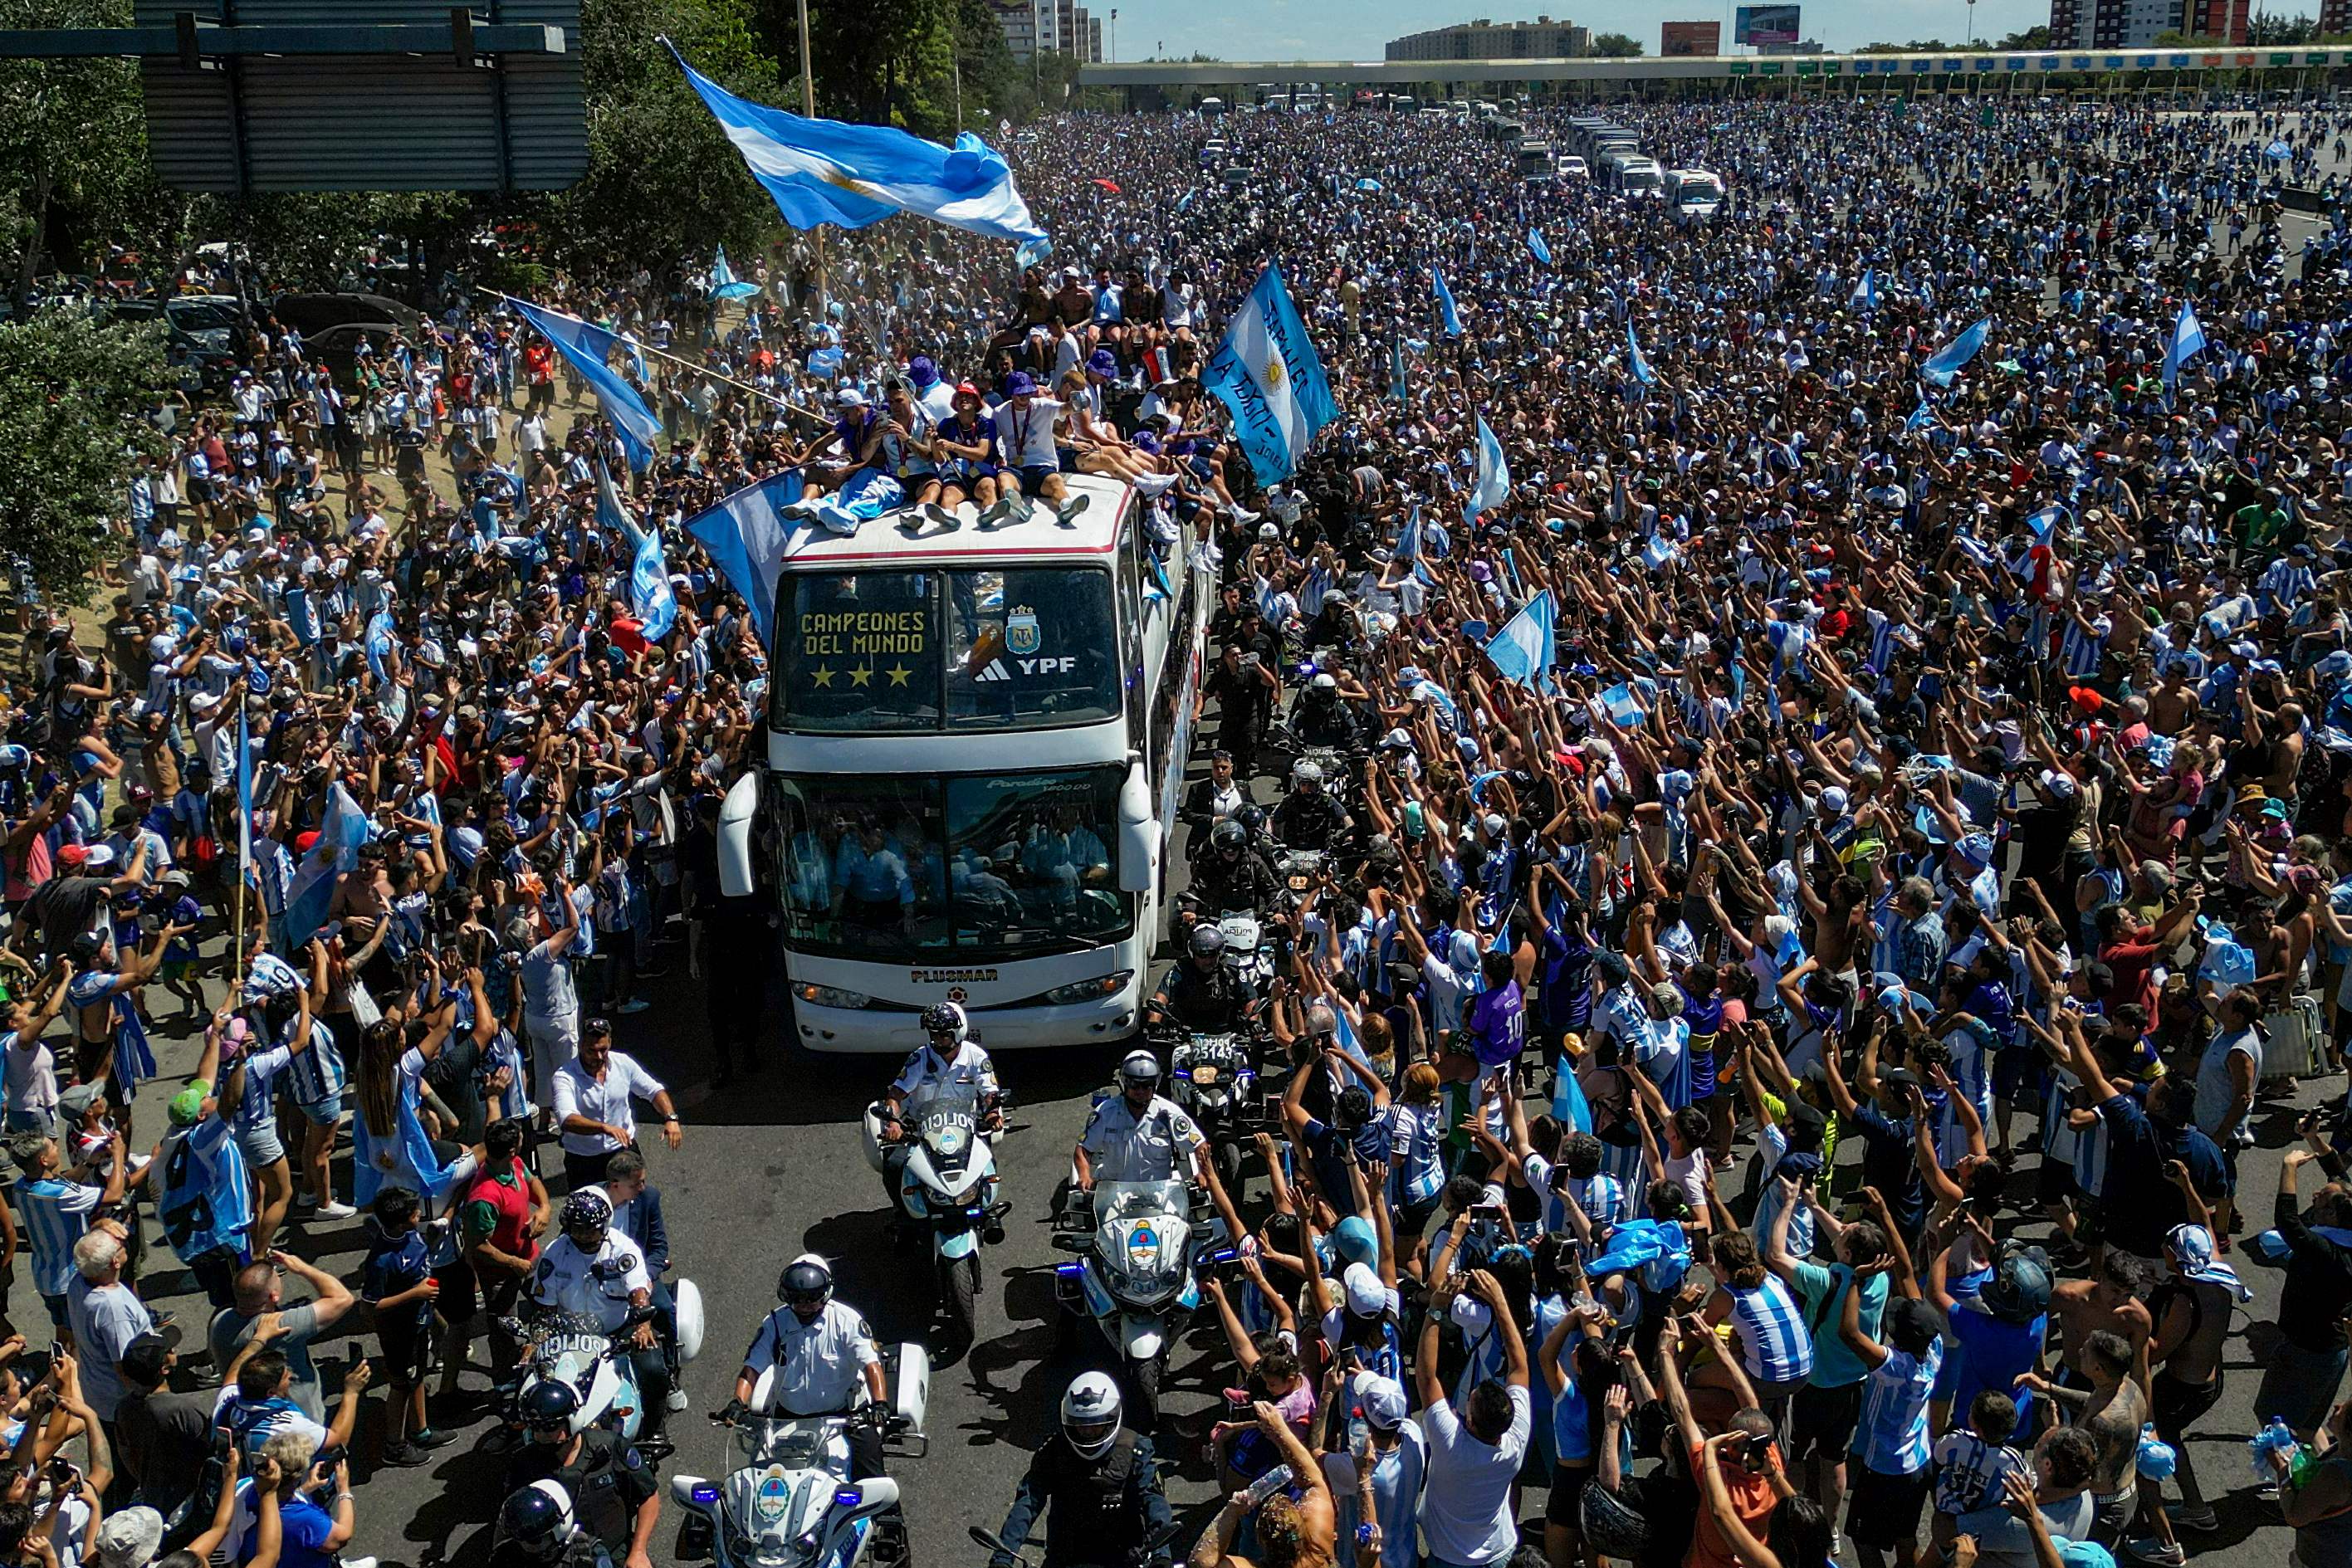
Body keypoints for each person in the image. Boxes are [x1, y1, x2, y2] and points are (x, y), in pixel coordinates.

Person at [526, 1188, 669, 1446]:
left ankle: (654, 1428)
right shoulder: (555, 1253)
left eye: (588, 1228)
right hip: (569, 1335)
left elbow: (637, 1290)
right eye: (576, 1228)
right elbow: (545, 1309)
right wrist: (536, 1342)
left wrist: (643, 1325)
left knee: (653, 1369)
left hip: (620, 1330)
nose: (582, 1234)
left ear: (604, 1225)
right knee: (531, 1376)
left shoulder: (623, 1250)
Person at [990, 1373, 1172, 1568]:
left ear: (1112, 1419)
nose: (1087, 1432)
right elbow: (1028, 1502)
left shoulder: (1135, 1450)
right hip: (1065, 1558)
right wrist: (1004, 1556)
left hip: (1124, 1558)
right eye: (1080, 1426)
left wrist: (1161, 1554)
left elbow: (1153, 1499)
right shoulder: (1054, 1452)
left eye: (1095, 1426)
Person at [732, 1254, 888, 1480]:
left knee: (871, 1474)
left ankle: (889, 1515)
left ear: (825, 1294)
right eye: (797, 1299)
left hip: (844, 1415)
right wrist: (737, 1401)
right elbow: (752, 1368)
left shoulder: (846, 1321)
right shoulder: (775, 1323)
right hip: (787, 1417)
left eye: (812, 1298)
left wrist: (880, 1404)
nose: (805, 1306)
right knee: (761, 1475)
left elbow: (871, 1364)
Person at [1415, 1268, 1528, 1568]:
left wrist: (1436, 1309)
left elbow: (1426, 1379)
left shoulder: (1450, 1444)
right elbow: (1519, 1368)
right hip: (1499, 1553)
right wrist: (1501, 1303)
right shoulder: (1514, 1442)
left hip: (1448, 1558)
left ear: (1469, 1421)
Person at [503, 1381, 662, 1568]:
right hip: (558, 1559)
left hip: (618, 1554)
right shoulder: (524, 1462)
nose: (540, 1435)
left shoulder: (610, 1448)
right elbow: (513, 1519)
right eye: (534, 1427)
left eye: (549, 1427)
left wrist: (638, 1552)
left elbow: (648, 1495)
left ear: (573, 1419)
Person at [206, 1246, 358, 1427]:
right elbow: (342, 1298)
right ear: (274, 1296)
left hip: (251, 1416)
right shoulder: (282, 1325)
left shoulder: (219, 1322)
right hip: (300, 1419)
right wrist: (302, 1268)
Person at [550, 1017, 680, 1192]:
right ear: (580, 1045)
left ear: (610, 1042)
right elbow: (567, 1120)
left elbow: (654, 1091)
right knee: (589, 1216)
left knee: (634, 1206)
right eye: (591, 1050)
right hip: (585, 1160)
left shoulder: (623, 1064)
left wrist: (670, 1118)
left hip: (622, 1152)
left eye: (603, 1050)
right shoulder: (565, 1077)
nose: (598, 1056)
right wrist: (605, 1128)